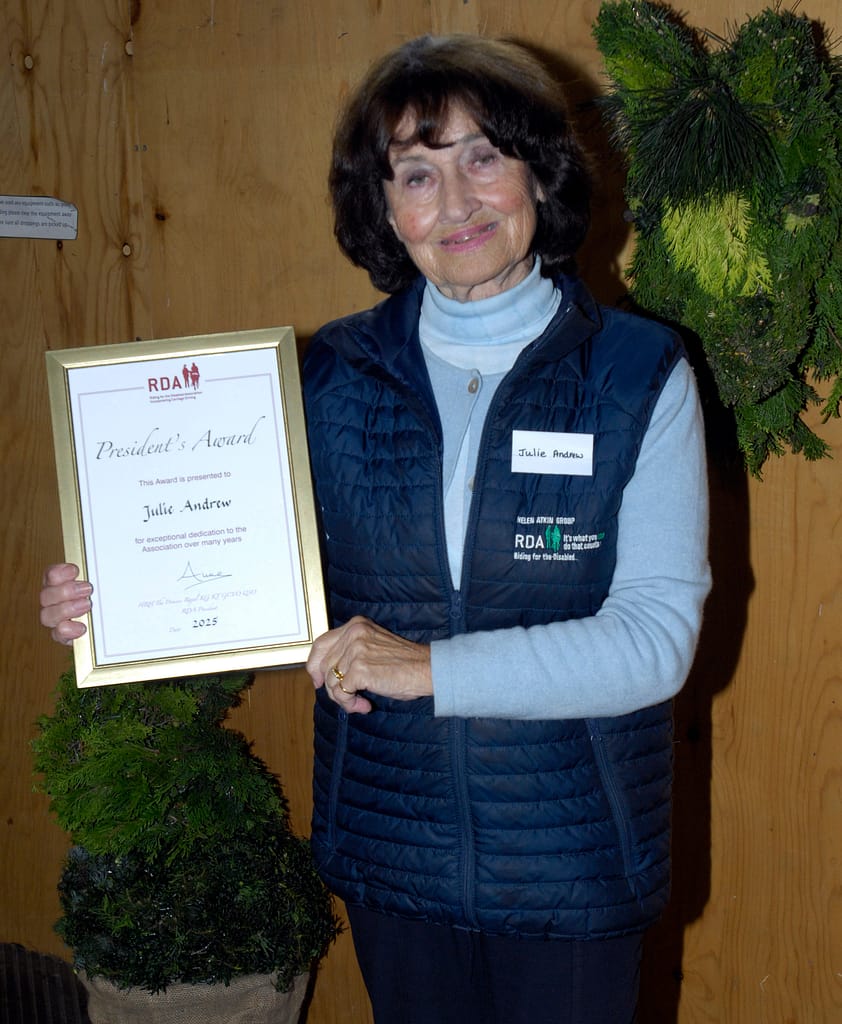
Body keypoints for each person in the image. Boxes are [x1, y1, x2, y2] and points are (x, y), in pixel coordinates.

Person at [40, 34, 711, 1024]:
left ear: (536, 169)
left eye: (482, 155)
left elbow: (652, 644)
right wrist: (115, 598)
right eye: (415, 171)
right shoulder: (320, 381)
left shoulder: (636, 373)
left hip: (572, 863)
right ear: (382, 207)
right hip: (392, 855)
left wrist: (427, 666)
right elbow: (238, 578)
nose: (456, 202)